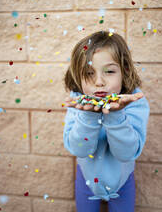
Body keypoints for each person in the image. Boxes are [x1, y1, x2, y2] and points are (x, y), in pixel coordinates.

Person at [63, 31, 150, 212]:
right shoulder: (78, 101)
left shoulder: (135, 103)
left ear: (124, 70)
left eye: (109, 71)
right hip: (86, 179)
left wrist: (115, 116)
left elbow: (127, 153)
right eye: (89, 72)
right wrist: (88, 116)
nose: (99, 82)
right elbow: (79, 149)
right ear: (77, 75)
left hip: (122, 181)